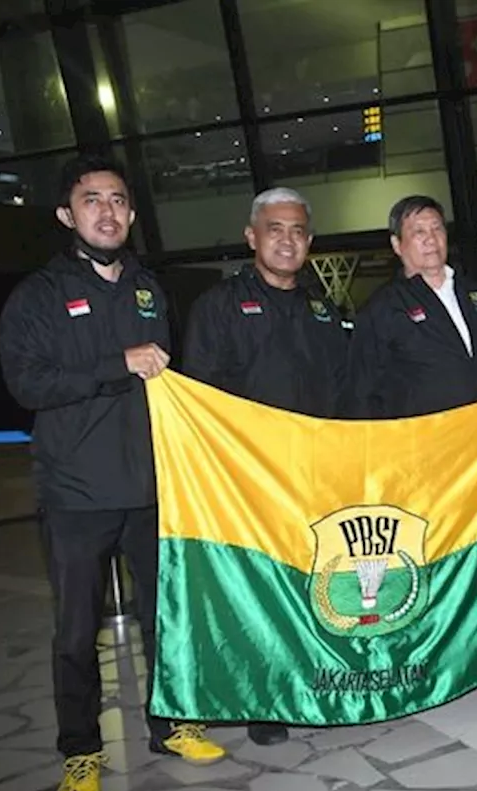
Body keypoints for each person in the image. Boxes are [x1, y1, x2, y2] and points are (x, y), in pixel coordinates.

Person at [0, 154, 226, 791]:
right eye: (92, 200)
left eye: (119, 200)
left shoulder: (150, 289)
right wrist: (113, 364)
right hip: (75, 494)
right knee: (75, 632)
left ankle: (171, 724)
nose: (108, 211)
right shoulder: (37, 296)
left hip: (150, 489)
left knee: (164, 619)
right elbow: (26, 384)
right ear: (68, 215)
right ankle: (80, 751)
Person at [348, 195, 477, 682]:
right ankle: (430, 651)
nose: (430, 239)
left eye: (436, 229)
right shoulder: (383, 309)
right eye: (417, 232)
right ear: (397, 245)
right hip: (419, 458)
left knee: (476, 550)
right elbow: (362, 387)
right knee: (427, 554)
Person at [182, 187, 349, 743]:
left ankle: (314, 678)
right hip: (251, 477)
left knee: (315, 580)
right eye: (275, 229)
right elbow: (202, 398)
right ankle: (266, 699)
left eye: (298, 230)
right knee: (259, 588)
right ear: (252, 237)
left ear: (309, 241)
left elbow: (346, 387)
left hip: (317, 474)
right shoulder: (218, 307)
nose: (287, 239)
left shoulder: (323, 306)